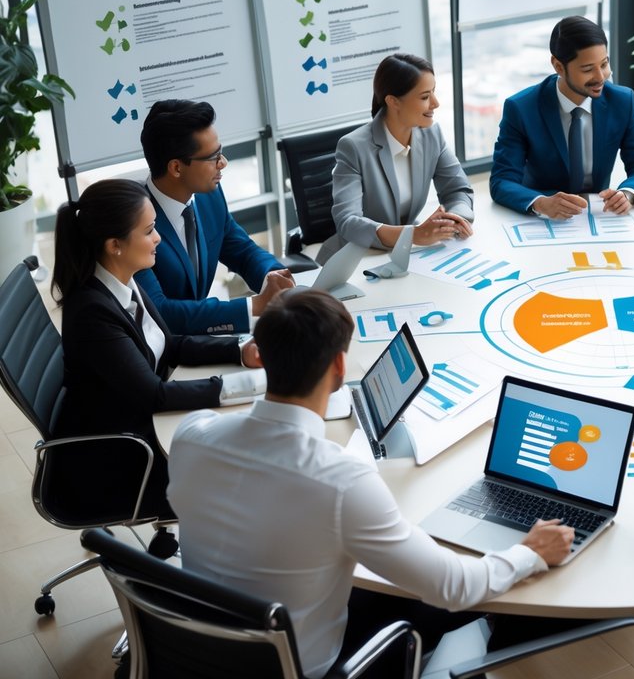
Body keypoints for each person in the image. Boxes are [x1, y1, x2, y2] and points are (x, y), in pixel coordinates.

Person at [167, 290, 574, 679]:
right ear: (340, 369)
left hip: (200, 646)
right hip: (299, 667)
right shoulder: (342, 482)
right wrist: (529, 552)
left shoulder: (192, 434)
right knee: (454, 600)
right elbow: (454, 587)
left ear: (258, 353)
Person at [52, 179, 261, 518]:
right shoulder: (92, 312)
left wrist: (239, 351)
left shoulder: (123, 280)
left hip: (138, 429)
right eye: (149, 231)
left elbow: (168, 345)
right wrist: (252, 387)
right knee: (246, 471)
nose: (159, 238)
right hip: (116, 463)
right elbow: (155, 396)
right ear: (115, 245)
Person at [136, 99, 294, 335]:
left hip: (203, 342)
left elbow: (241, 250)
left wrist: (273, 277)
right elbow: (160, 311)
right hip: (163, 355)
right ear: (176, 168)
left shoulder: (208, 195)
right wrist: (254, 306)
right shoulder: (134, 223)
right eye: (213, 157)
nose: (224, 163)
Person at [490, 15, 634, 218]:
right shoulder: (521, 108)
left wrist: (627, 194)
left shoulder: (621, 101)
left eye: (604, 64)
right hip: (543, 220)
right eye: (588, 69)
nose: (600, 77)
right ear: (558, 66)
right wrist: (541, 203)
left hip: (598, 217)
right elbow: (502, 180)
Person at [322, 53, 474, 263]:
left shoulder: (432, 136)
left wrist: (455, 221)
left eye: (434, 92)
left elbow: (458, 190)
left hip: (406, 256)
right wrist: (413, 234)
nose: (436, 103)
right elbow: (348, 222)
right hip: (358, 259)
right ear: (393, 102)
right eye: (424, 97)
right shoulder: (353, 147)